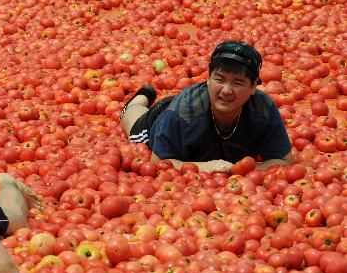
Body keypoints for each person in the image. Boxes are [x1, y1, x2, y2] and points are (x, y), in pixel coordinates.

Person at [120, 40, 293, 173]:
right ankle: (141, 97)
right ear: (208, 78)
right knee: (134, 123)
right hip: (161, 117)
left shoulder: (263, 109)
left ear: (254, 86)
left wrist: (240, 170)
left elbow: (285, 161)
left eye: (238, 82)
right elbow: (159, 162)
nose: (226, 91)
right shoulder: (184, 111)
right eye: (219, 79)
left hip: (193, 105)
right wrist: (204, 167)